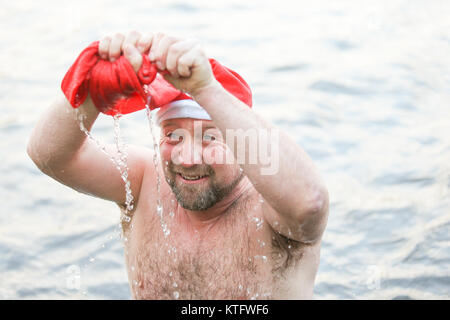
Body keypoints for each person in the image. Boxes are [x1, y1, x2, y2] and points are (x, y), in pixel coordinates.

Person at [27, 31, 329, 299]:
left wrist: (206, 89)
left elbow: (310, 203)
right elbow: (49, 156)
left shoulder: (271, 204)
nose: (187, 158)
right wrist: (92, 90)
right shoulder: (145, 179)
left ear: (241, 145)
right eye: (172, 135)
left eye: (211, 138)